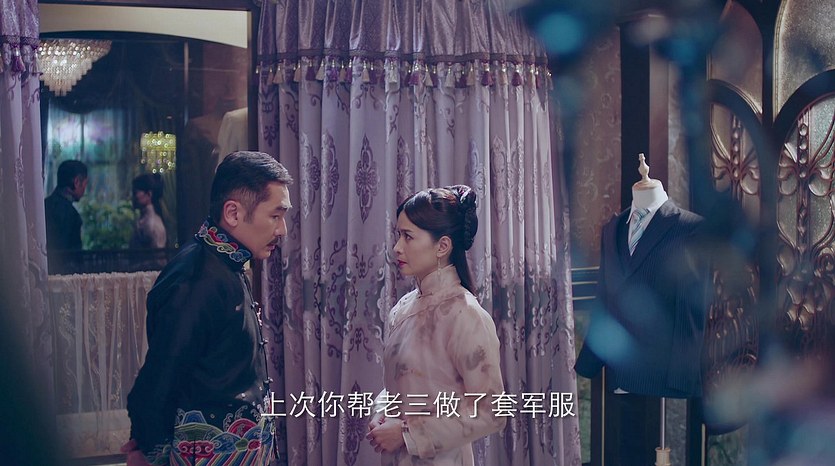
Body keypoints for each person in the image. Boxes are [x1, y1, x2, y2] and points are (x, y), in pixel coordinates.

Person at [122, 151, 293, 466]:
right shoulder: (196, 278)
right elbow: (157, 384)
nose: (282, 230)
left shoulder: (226, 264)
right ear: (233, 213)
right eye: (275, 216)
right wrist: (149, 452)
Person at [367, 185, 506, 466]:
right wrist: (382, 412)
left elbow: (491, 412)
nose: (397, 247)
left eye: (408, 236)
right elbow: (398, 385)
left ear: (442, 246)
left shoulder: (466, 315)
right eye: (398, 235)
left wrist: (407, 433)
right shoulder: (403, 308)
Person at [44, 159, 88, 252]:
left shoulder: (43, 206)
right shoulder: (72, 217)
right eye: (85, 184)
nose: (85, 189)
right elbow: (73, 257)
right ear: (77, 182)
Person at [130, 173, 167, 249]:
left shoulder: (152, 224)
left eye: (135, 193)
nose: (133, 198)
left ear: (149, 194)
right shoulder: (144, 220)